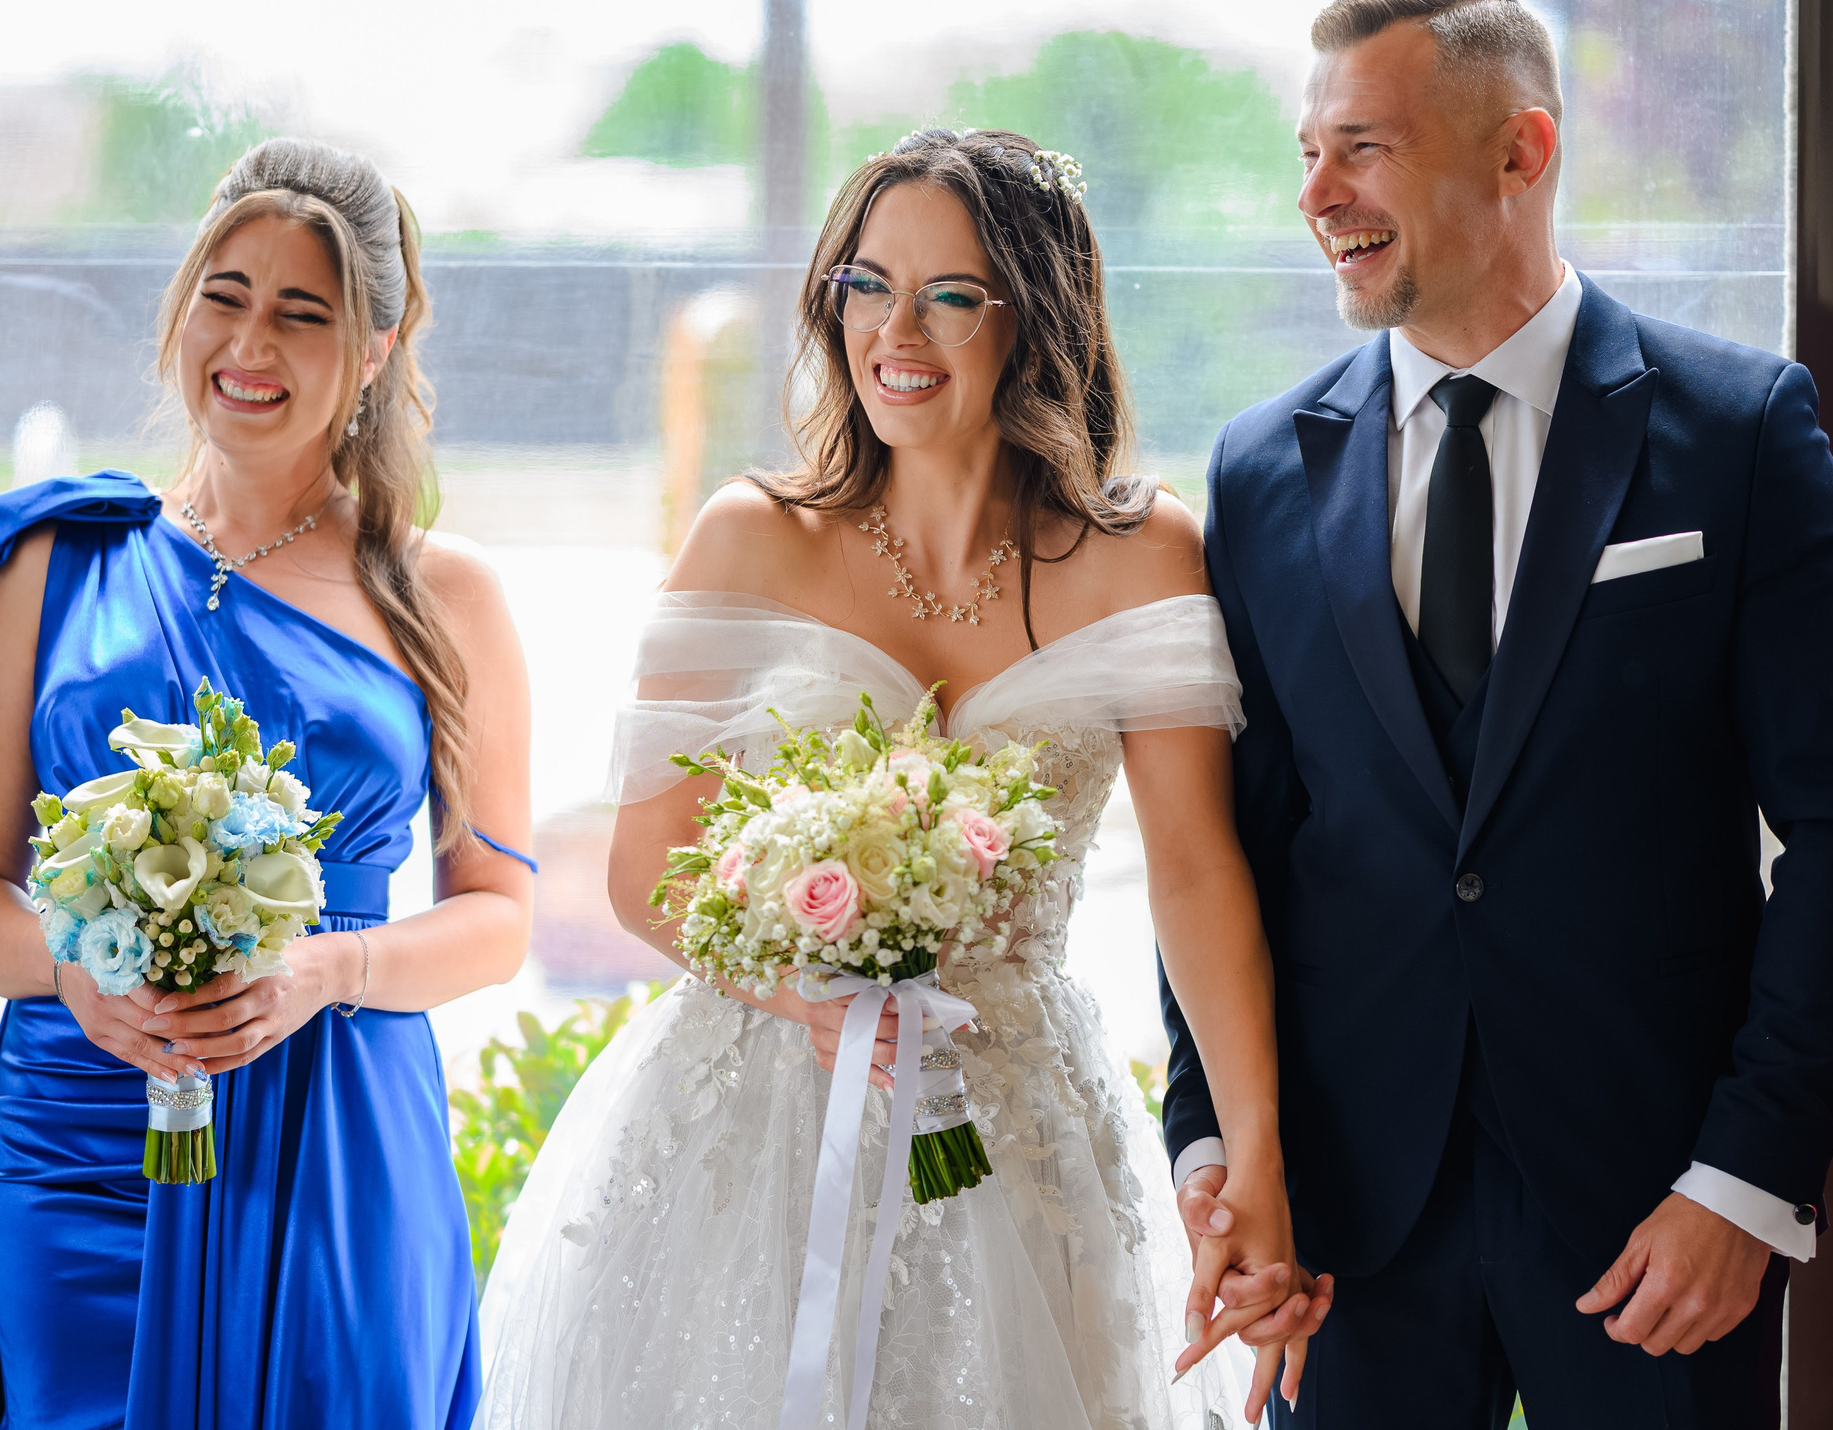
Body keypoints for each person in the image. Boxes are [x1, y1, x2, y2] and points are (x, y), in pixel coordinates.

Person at [472, 128, 1311, 1429]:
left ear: (1035, 316)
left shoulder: (1143, 554)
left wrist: (1253, 1152)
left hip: (1018, 1111)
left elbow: (1199, 874)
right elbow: (647, 873)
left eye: (948, 293)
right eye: (866, 284)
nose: (894, 328)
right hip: (756, 1119)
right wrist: (802, 991)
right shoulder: (749, 536)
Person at [1164, 0, 1833, 1427]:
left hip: (1655, 1209)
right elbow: (1220, 856)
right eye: (1307, 151)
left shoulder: (1741, 428)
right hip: (1345, 1227)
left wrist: (1744, 1180)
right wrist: (1215, 1145)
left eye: (1364, 146)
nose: (1318, 191)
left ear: (1522, 152)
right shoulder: (1261, 471)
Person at [0, 138, 535, 1429]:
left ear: (375, 346)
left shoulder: (443, 592)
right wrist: (76, 971)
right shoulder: (54, 562)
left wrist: (326, 968)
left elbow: (498, 917)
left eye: (301, 313)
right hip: (79, 1130)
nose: (249, 343)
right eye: (225, 295)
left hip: (334, 1127)